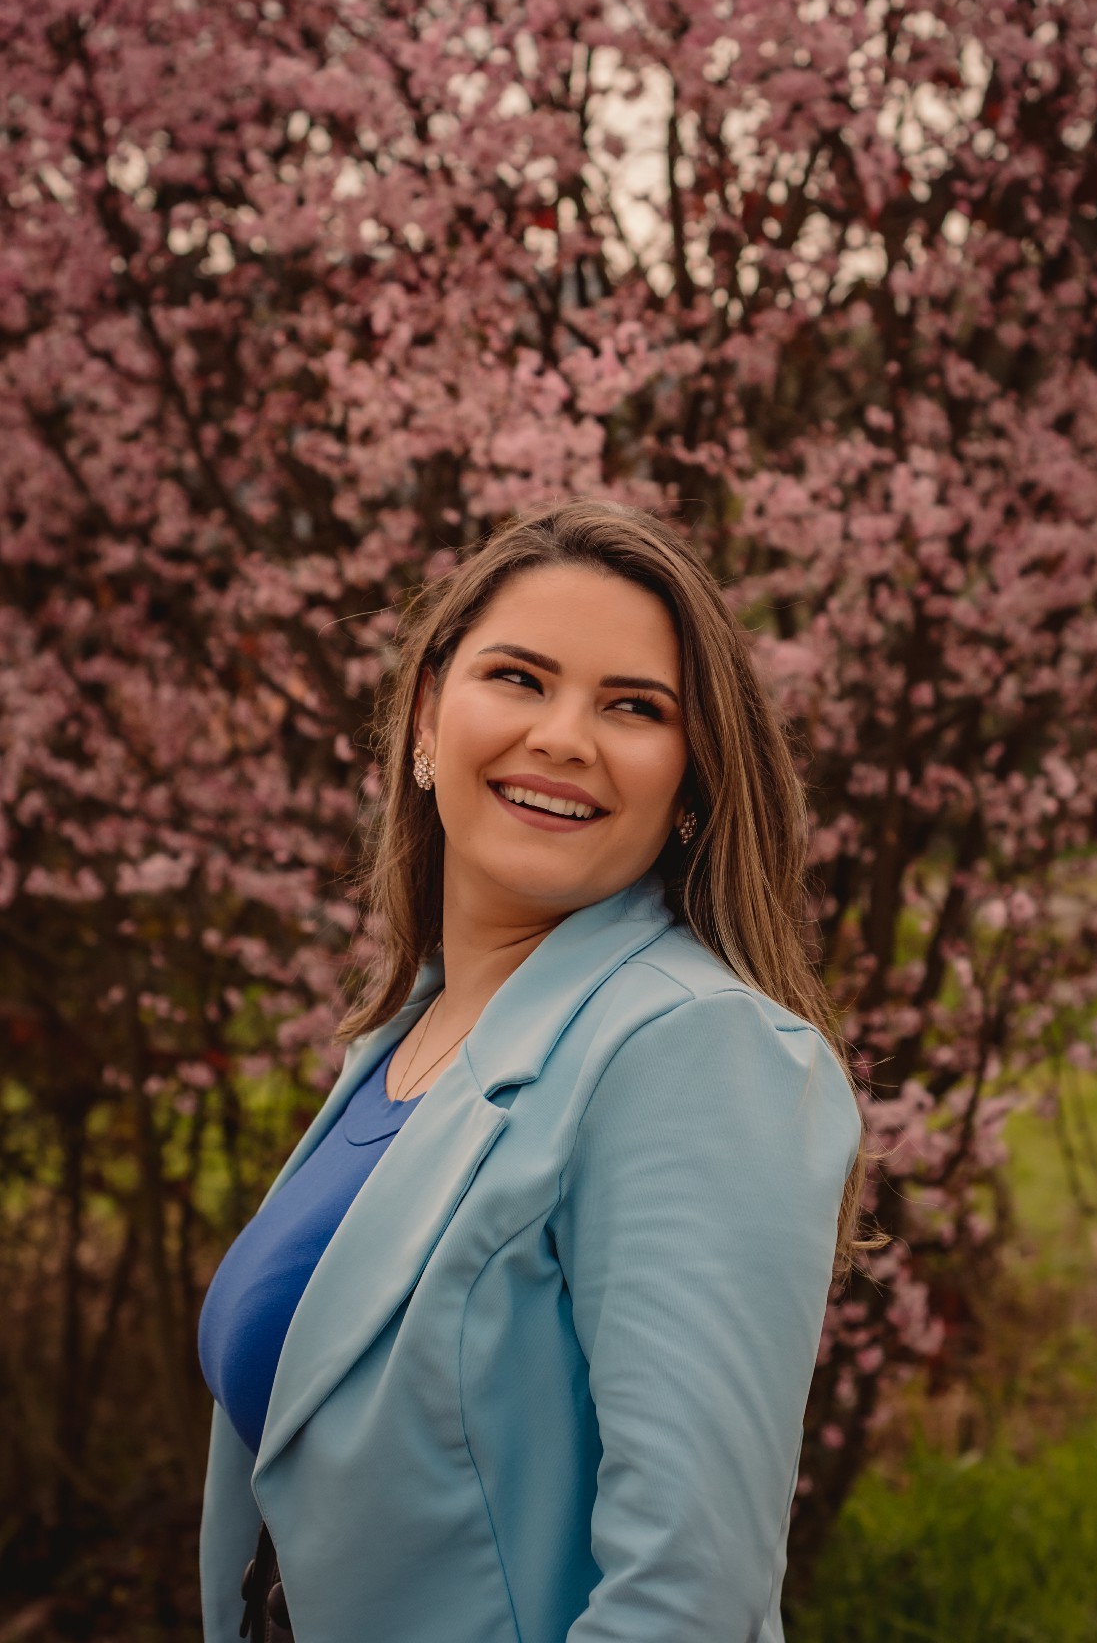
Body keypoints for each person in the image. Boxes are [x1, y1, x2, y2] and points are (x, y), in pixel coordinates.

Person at [198, 498, 864, 1643]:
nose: (563, 736)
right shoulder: (402, 1041)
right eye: (518, 677)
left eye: (634, 706)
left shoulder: (693, 1052)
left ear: (690, 780)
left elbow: (686, 1600)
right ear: (424, 721)